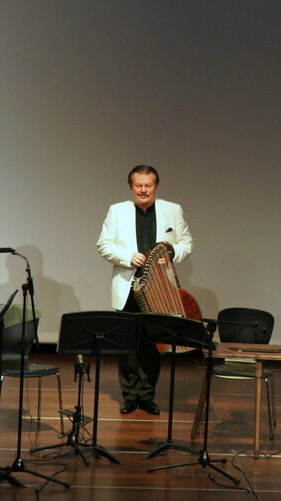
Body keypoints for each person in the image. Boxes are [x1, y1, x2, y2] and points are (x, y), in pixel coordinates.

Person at [97, 165, 193, 415]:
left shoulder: (173, 210)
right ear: (131, 187)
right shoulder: (116, 211)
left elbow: (186, 243)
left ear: (156, 186)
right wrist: (128, 257)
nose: (143, 189)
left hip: (160, 287)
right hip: (128, 286)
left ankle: (147, 395)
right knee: (128, 344)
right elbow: (103, 245)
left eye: (148, 185)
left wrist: (171, 253)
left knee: (152, 345)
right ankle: (130, 396)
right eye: (138, 185)